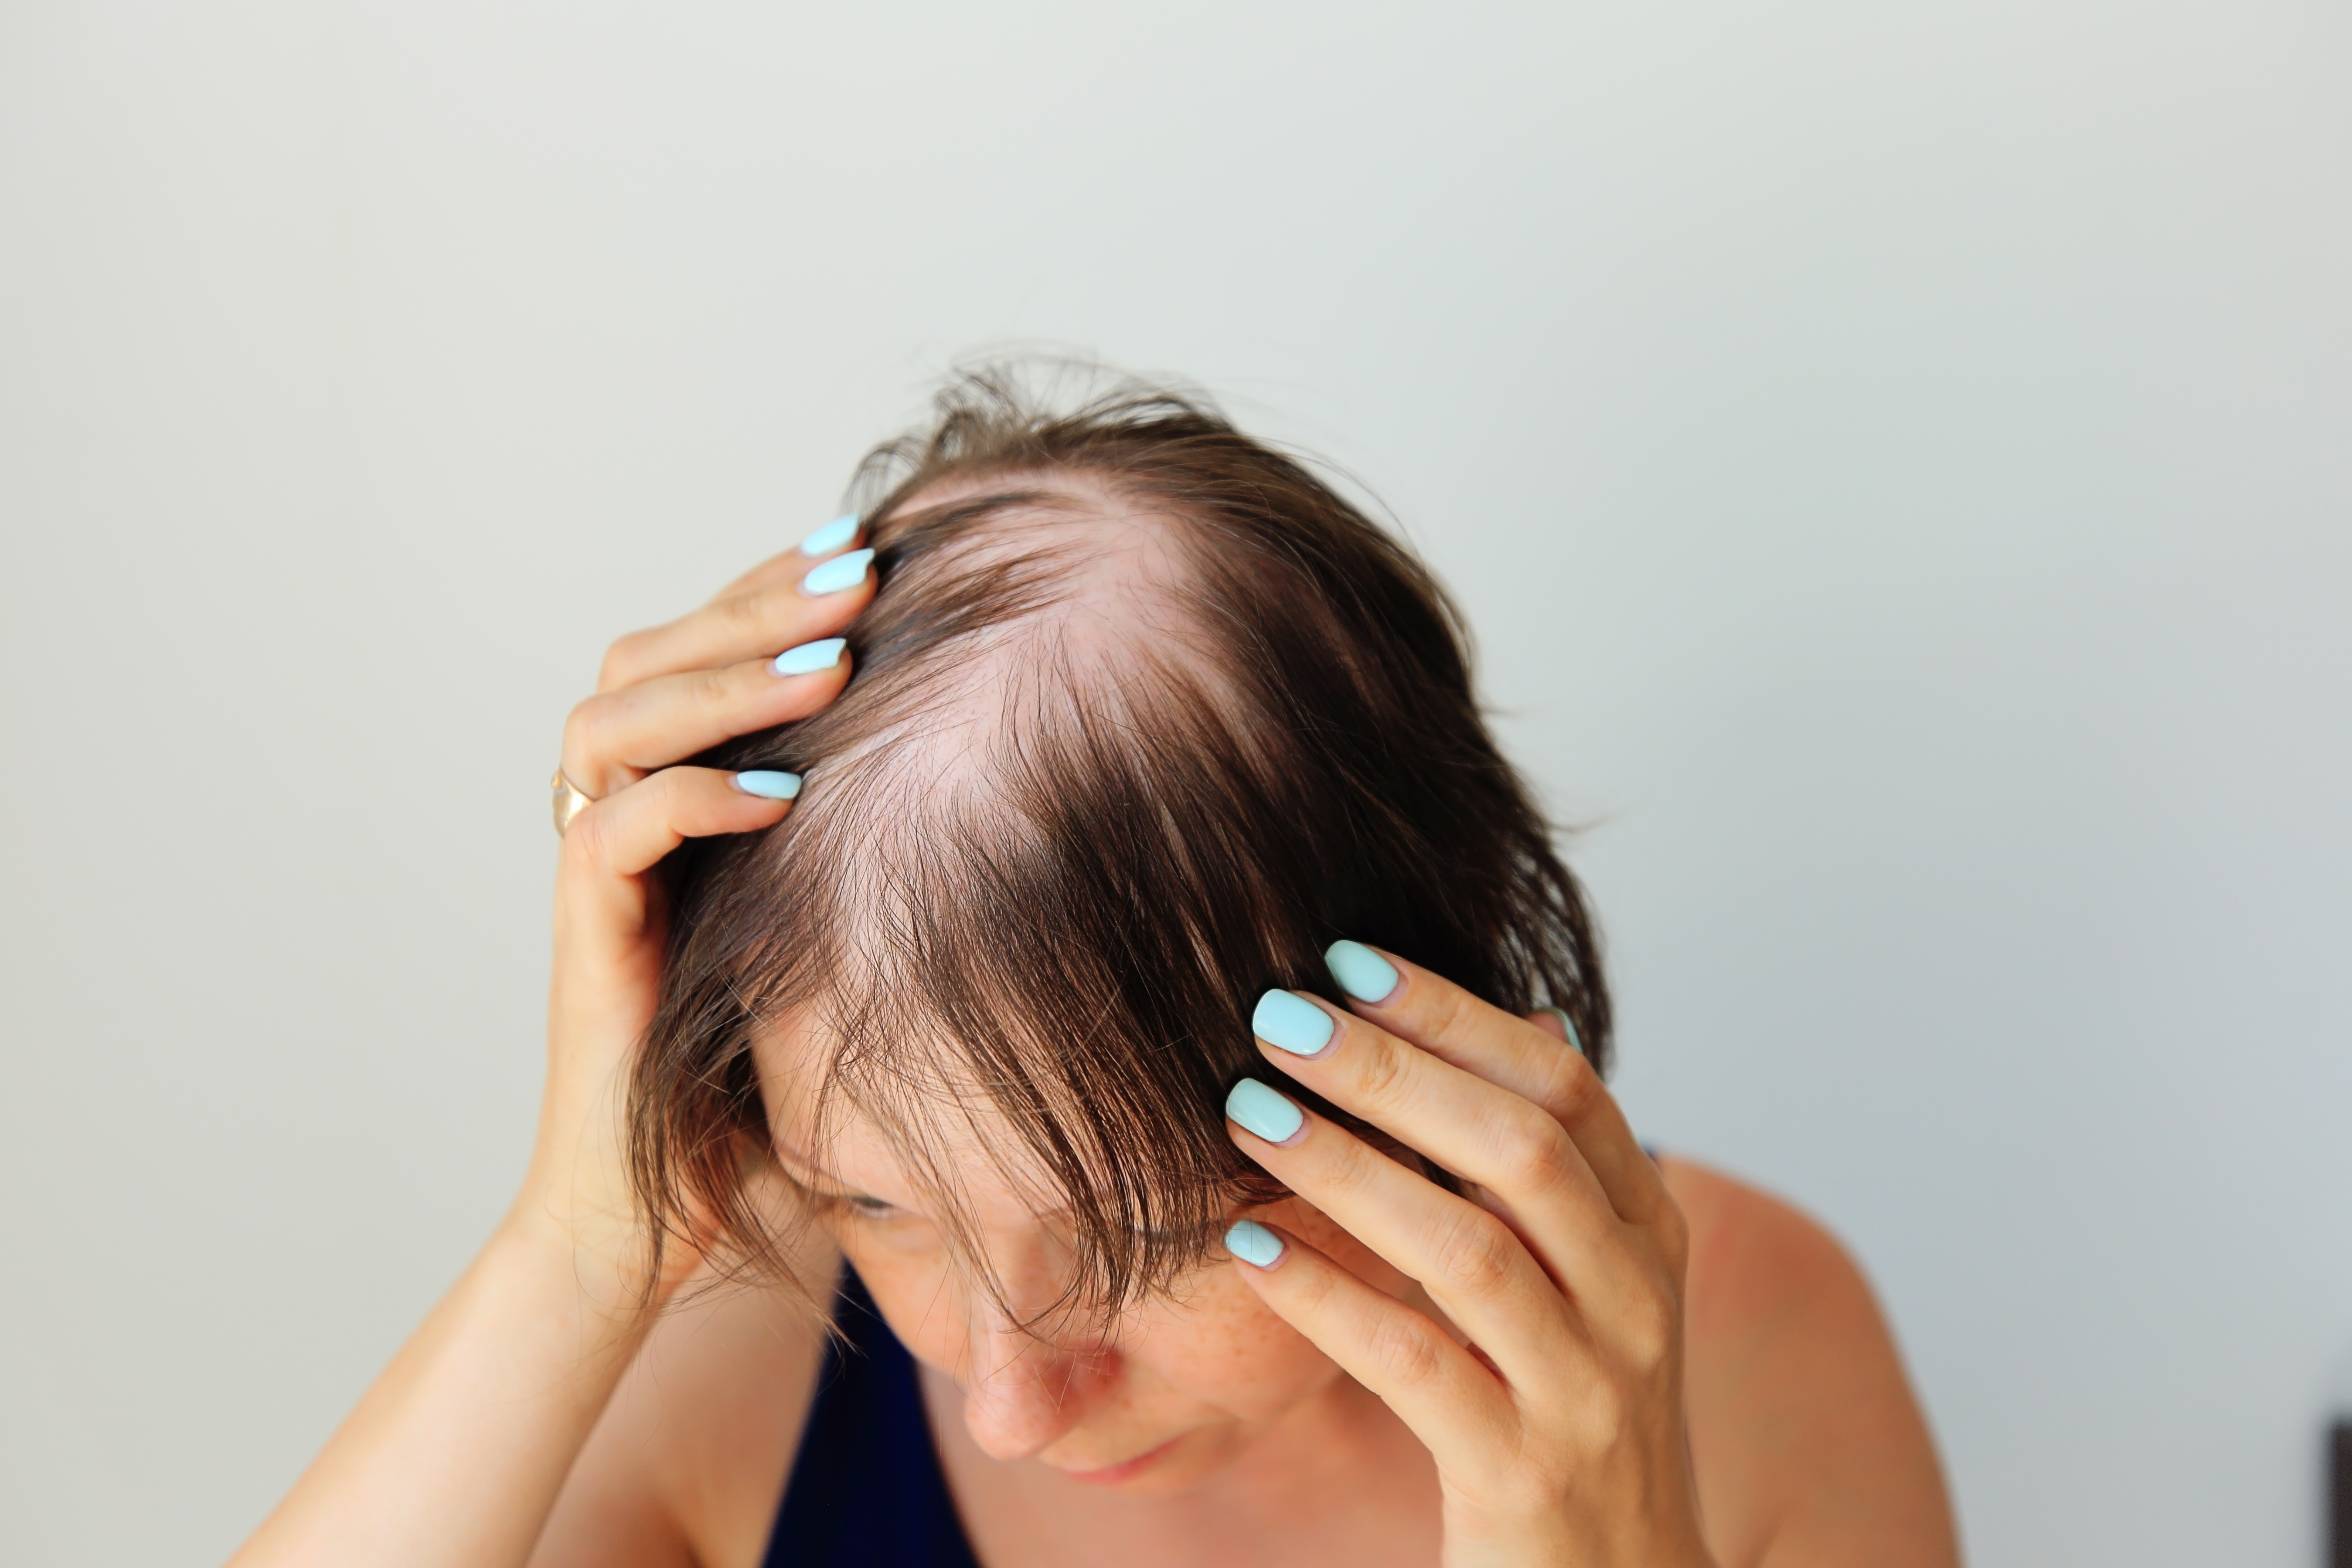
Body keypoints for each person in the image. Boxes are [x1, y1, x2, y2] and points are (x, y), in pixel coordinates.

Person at [231, 370, 1960, 1568]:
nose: (999, 1404)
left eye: (1136, 1232)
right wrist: (575, 1241)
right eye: (883, 1209)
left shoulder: (1740, 1357)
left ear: (1421, 1027)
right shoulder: (748, 1367)